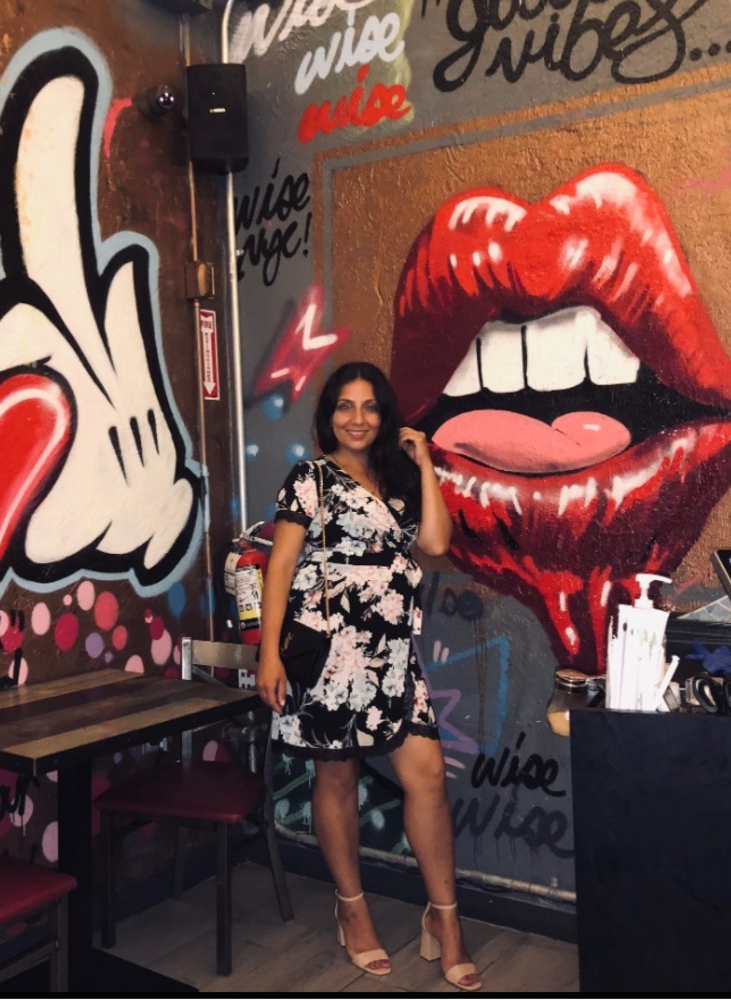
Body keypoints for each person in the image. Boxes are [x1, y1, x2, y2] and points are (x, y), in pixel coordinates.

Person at [257, 362, 482, 991]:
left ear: (385, 415)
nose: (357, 419)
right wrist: (269, 654)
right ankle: (351, 908)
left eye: (370, 407)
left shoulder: (398, 478)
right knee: (337, 776)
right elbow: (281, 567)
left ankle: (445, 920)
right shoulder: (310, 478)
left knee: (426, 775)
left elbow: (434, 543)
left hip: (391, 654)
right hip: (327, 652)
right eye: (344, 406)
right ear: (327, 415)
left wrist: (425, 463)